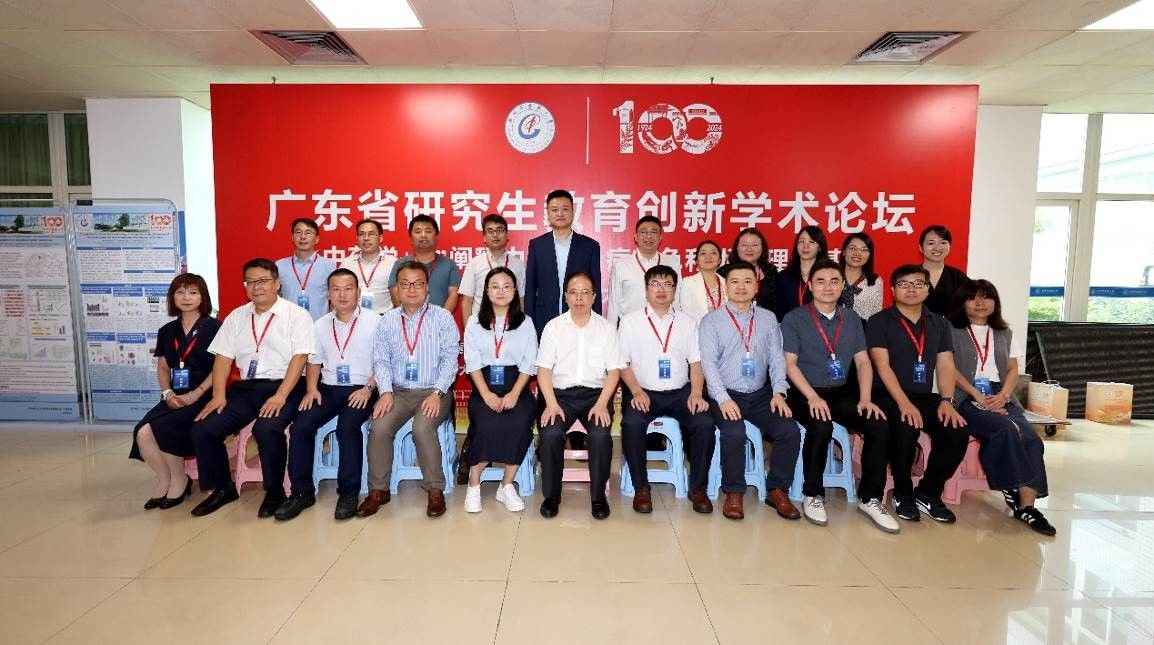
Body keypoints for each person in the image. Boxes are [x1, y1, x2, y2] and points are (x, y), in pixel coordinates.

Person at [189, 258, 315, 518]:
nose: (257, 287)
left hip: (286, 385)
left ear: (277, 283)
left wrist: (280, 395)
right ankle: (223, 488)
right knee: (204, 428)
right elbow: (223, 358)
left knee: (267, 428)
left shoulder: (296, 315)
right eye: (250, 282)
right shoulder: (237, 317)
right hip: (246, 389)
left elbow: (300, 357)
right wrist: (218, 395)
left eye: (263, 281)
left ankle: (275, 491)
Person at [781, 259, 898, 532]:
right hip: (804, 392)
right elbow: (790, 365)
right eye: (820, 281)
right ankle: (813, 493)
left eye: (834, 281)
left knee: (878, 424)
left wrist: (866, 399)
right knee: (820, 426)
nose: (827, 287)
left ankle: (870, 498)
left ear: (843, 285)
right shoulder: (795, 318)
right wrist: (812, 397)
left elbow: (863, 362)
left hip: (842, 392)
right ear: (810, 286)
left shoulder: (852, 319)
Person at [947, 279, 1055, 536]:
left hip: (1000, 393)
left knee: (1031, 439)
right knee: (1004, 428)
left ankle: (1027, 507)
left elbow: (1013, 368)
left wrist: (1004, 395)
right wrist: (977, 396)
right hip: (965, 395)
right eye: (972, 297)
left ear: (995, 302)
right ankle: (1011, 485)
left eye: (986, 297)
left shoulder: (1004, 332)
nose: (980, 302)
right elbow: (948, 368)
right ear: (962, 303)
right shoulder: (951, 329)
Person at [276, 268, 380, 522]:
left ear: (358, 292)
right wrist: (312, 389)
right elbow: (314, 361)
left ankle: (348, 493)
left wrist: (368, 389)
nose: (342, 295)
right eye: (336, 289)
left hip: (364, 387)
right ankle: (301, 492)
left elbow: (384, 362)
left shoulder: (376, 321)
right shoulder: (320, 324)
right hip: (329, 388)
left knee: (347, 427)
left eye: (348, 289)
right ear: (328, 294)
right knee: (301, 425)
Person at [699, 260, 800, 521]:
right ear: (726, 286)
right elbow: (708, 364)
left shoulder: (768, 319)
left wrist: (779, 392)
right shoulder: (712, 321)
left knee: (789, 430)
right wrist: (722, 398)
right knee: (734, 432)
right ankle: (734, 492)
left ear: (756, 286)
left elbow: (777, 359)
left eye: (747, 281)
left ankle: (777, 489)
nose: (741, 287)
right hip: (725, 392)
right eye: (735, 281)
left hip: (761, 394)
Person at [867, 264, 969, 524]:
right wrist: (903, 403)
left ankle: (928, 492)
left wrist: (947, 401)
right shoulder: (879, 321)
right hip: (887, 394)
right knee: (905, 425)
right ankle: (903, 493)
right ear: (893, 290)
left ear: (927, 289)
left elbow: (945, 365)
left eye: (918, 284)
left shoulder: (939, 323)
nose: (911, 289)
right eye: (904, 284)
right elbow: (882, 366)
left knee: (956, 429)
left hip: (924, 397)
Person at [359, 261, 459, 519]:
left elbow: (451, 360)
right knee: (379, 426)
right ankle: (378, 490)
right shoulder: (388, 321)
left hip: (434, 391)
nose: (411, 289)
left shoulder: (442, 318)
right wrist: (385, 392)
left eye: (418, 284)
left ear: (427, 287)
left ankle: (435, 489)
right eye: (405, 284)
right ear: (396, 289)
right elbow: (381, 360)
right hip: (398, 392)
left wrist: (437, 393)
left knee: (422, 428)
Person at [618, 265, 715, 514]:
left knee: (704, 423)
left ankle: (698, 488)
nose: (661, 289)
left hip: (680, 392)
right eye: (655, 284)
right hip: (643, 391)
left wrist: (696, 393)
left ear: (675, 289)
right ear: (646, 289)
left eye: (667, 284)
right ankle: (641, 487)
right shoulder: (630, 321)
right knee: (631, 423)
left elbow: (696, 362)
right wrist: (636, 391)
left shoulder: (687, 322)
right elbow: (622, 363)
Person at [535, 272, 624, 520]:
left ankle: (598, 498)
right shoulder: (554, 327)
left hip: (596, 396)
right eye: (573, 293)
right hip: (559, 395)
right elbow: (543, 370)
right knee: (551, 435)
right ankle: (551, 496)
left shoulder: (606, 329)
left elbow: (614, 371)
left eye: (585, 292)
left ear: (594, 297)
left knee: (600, 436)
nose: (579, 298)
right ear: (566, 297)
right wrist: (551, 403)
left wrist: (603, 404)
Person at [131, 273, 220, 510]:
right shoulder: (167, 330)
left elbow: (220, 368)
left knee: (164, 427)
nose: (186, 297)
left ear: (202, 297)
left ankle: (179, 480)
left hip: (205, 395)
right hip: (175, 395)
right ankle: (165, 479)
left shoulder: (215, 327)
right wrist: (168, 394)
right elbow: (163, 367)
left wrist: (195, 394)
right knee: (142, 432)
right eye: (180, 292)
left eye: (193, 292)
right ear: (172, 298)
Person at [461, 267, 538, 513]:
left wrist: (514, 393)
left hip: (517, 385)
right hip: (484, 386)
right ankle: (474, 483)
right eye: (495, 286)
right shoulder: (474, 323)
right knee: (486, 423)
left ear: (515, 291)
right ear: (486, 291)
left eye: (507, 286)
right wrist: (486, 395)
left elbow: (529, 362)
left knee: (519, 421)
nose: (501, 291)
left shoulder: (526, 323)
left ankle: (506, 485)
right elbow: (472, 362)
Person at [524, 189, 603, 337]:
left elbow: (595, 288)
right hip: (543, 319)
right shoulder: (537, 245)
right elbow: (530, 288)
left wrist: (597, 323)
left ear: (573, 212)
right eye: (554, 210)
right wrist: (528, 324)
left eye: (565, 209)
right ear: (548, 214)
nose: (560, 214)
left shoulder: (590, 246)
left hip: (580, 319)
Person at [607, 215, 680, 327]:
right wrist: (611, 332)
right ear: (636, 237)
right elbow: (613, 305)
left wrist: (677, 326)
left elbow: (677, 299)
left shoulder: (672, 263)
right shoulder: (621, 265)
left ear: (660, 237)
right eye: (643, 232)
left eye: (653, 232)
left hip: (664, 326)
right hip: (630, 328)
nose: (648, 236)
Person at [459, 214, 526, 322]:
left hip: (511, 325)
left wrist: (520, 325)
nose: (495, 234)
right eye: (490, 231)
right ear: (484, 237)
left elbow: (521, 299)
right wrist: (468, 330)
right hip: (481, 326)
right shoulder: (474, 264)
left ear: (507, 234)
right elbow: (467, 301)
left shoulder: (519, 265)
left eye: (499, 230)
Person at [387, 215, 461, 312]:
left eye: (428, 231)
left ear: (436, 237)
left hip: (440, 319)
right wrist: (411, 317)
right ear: (411, 238)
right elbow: (395, 294)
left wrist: (442, 318)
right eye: (418, 231)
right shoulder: (400, 264)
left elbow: (453, 295)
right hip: (408, 319)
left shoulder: (449, 264)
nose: (423, 235)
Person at [277, 217, 337, 321]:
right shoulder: (279, 266)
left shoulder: (328, 266)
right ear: (292, 237)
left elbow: (334, 299)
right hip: (288, 325)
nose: (302, 237)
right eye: (298, 232)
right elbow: (275, 298)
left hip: (318, 326)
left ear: (317, 239)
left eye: (308, 233)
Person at [339, 219, 395, 314]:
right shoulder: (347, 264)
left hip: (383, 317)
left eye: (371, 234)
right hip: (354, 318)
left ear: (380, 238)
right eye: (361, 234)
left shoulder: (393, 263)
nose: (366, 238)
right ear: (357, 238)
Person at [774, 225, 827, 320]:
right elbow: (780, 312)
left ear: (820, 247)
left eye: (811, 242)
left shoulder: (827, 276)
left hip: (820, 327)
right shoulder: (784, 277)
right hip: (789, 327)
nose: (805, 246)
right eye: (801, 241)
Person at [919, 224, 969, 316]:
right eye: (931, 243)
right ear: (921, 248)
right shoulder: (909, 275)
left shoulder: (958, 277)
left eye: (943, 243)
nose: (937, 248)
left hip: (950, 325)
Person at [729, 227, 778, 315]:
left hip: (766, 321)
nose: (749, 249)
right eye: (744, 245)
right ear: (737, 248)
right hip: (732, 321)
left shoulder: (771, 271)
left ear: (762, 248)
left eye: (754, 245)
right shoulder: (726, 272)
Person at [838, 232, 883, 321]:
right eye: (853, 248)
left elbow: (876, 314)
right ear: (843, 251)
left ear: (870, 255)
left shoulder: (875, 281)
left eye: (864, 250)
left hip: (864, 328)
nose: (857, 253)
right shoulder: (831, 276)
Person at [679, 239, 726, 323]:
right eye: (703, 253)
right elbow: (687, 315)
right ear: (696, 261)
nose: (708, 257)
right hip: (699, 329)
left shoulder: (727, 283)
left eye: (713, 253)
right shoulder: (688, 283)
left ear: (719, 260)